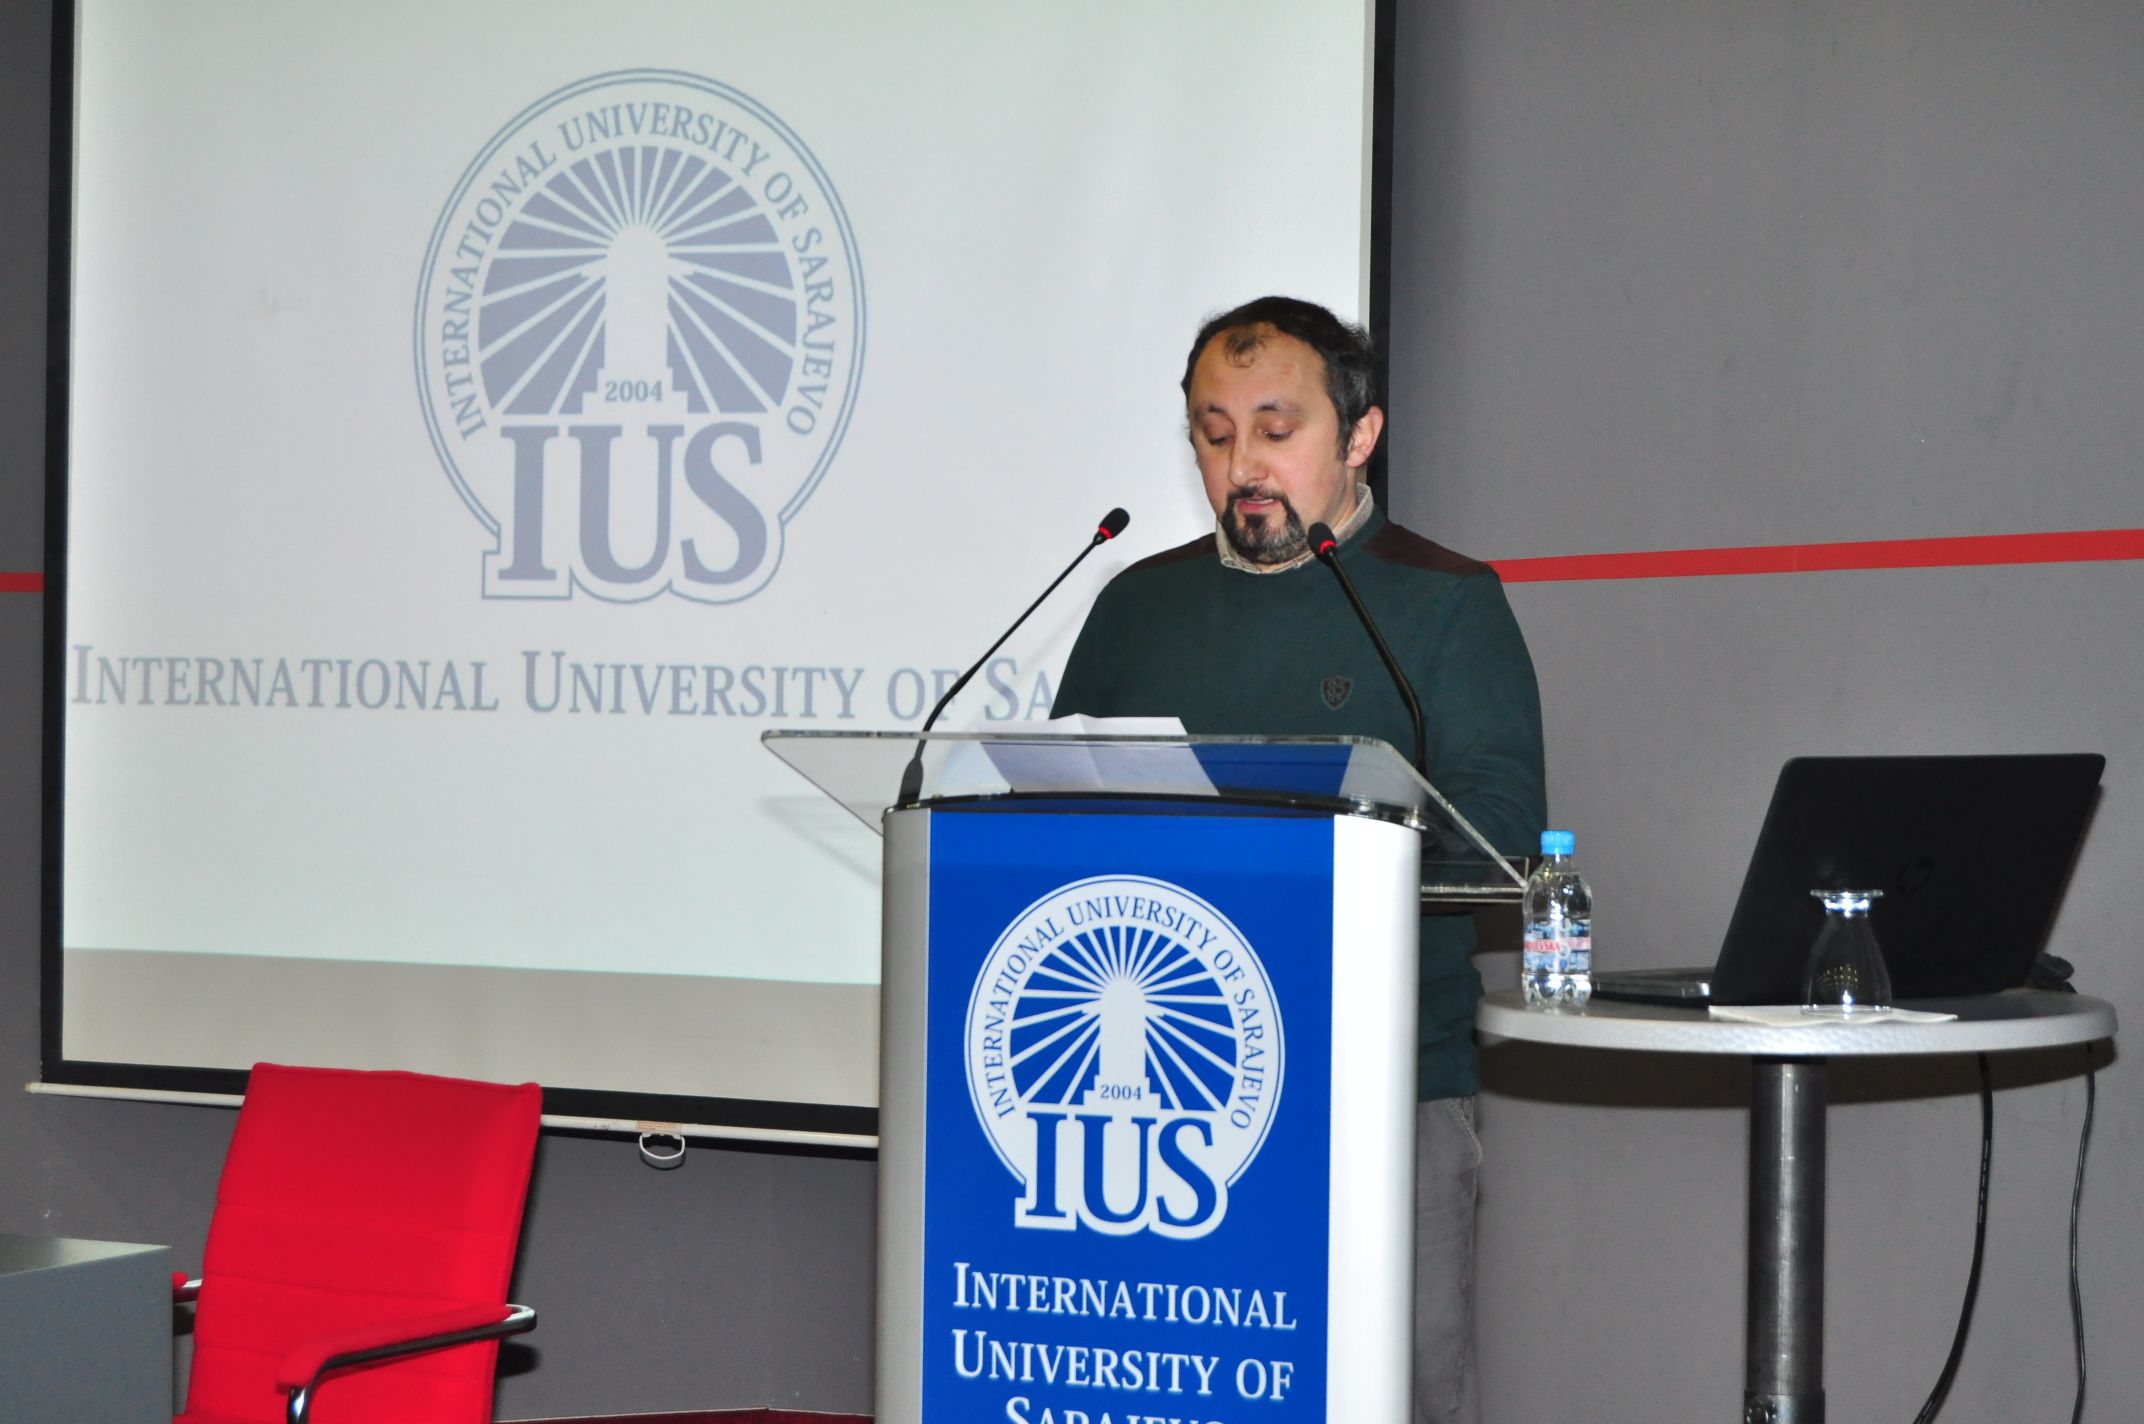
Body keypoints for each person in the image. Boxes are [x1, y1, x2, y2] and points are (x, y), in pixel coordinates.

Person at [1052, 295, 1546, 1424]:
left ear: (1359, 434)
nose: (1243, 466)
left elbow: (1499, 838)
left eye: (1276, 430)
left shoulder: (1442, 603)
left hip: (1380, 1087)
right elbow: (1053, 812)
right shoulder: (1136, 606)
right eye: (1214, 433)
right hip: (1152, 1111)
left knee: (1397, 1393)